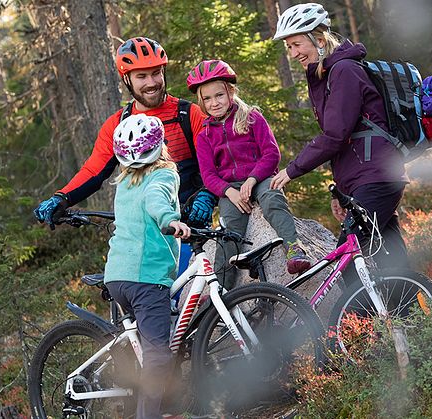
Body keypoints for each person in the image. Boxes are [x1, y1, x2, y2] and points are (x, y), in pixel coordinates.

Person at [33, 37, 216, 270]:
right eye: (142, 76)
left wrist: (208, 195)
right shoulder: (118, 125)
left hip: (190, 229)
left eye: (156, 73)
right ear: (126, 79)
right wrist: (61, 197)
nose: (151, 82)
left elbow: (218, 163)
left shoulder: (189, 115)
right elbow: (94, 171)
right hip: (140, 238)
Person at [270, 3, 410, 279]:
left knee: (348, 262)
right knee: (390, 257)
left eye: (297, 44)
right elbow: (348, 141)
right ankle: (410, 317)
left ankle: (360, 322)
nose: (293, 53)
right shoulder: (328, 74)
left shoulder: (344, 71)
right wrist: (344, 194)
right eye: (289, 47)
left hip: (377, 177)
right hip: (370, 178)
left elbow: (335, 136)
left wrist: (292, 169)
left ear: (319, 40)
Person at [186, 59, 312, 290]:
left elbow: (271, 154)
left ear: (230, 92)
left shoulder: (251, 117)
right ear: (201, 102)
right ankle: (220, 288)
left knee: (272, 199)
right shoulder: (204, 135)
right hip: (230, 187)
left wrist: (254, 178)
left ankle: (294, 248)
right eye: (207, 98)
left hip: (261, 177)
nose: (214, 103)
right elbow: (208, 175)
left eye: (219, 95)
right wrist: (229, 192)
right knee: (229, 234)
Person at [104, 113, 191, 419]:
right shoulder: (164, 175)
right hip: (146, 277)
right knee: (158, 356)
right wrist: (172, 221)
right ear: (160, 146)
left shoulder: (125, 180)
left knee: (148, 343)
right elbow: (157, 201)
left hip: (117, 277)